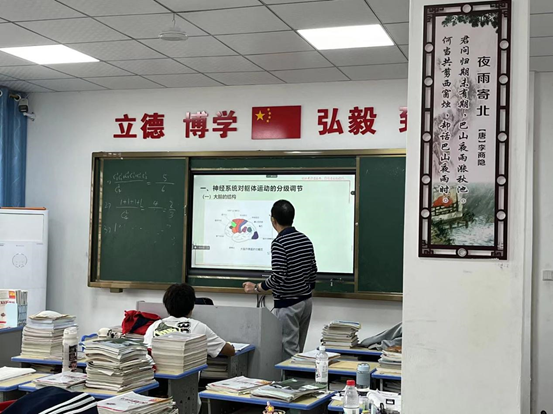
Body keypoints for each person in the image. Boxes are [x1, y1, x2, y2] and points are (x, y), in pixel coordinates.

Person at [243, 200, 317, 360]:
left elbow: (278, 276)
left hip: (288, 305)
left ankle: (290, 377)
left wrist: (256, 288)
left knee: (288, 353)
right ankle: (296, 375)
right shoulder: (305, 239)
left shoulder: (279, 243)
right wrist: (304, 288)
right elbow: (313, 270)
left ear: (273, 220)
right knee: (298, 351)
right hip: (306, 302)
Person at [144, 283, 235, 357]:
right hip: (187, 373)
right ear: (192, 307)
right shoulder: (199, 327)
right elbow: (230, 351)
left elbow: (146, 352)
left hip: (156, 373)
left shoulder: (153, 327)